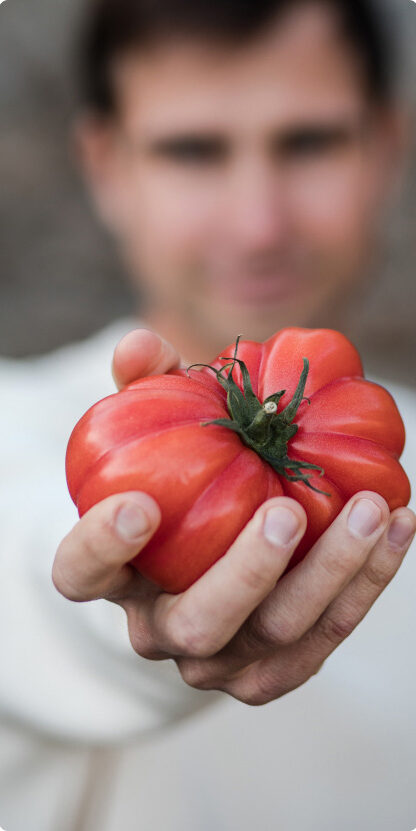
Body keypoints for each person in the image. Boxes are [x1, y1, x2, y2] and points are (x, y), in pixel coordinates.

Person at [1, 1, 415, 829]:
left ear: (388, 148)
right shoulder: (14, 426)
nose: (259, 224)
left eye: (308, 143)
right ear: (106, 167)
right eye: (193, 151)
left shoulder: (383, 455)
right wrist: (137, 605)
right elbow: (27, 608)